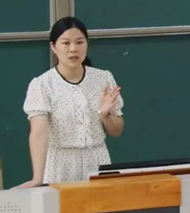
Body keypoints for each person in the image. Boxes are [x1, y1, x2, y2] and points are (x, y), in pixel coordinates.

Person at [15, 16, 124, 188]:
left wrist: (105, 115)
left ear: (87, 44)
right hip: (60, 165)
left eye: (79, 42)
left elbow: (117, 131)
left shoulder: (103, 78)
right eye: (65, 43)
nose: (73, 49)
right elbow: (39, 132)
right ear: (53, 47)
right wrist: (37, 178)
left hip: (98, 161)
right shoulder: (42, 85)